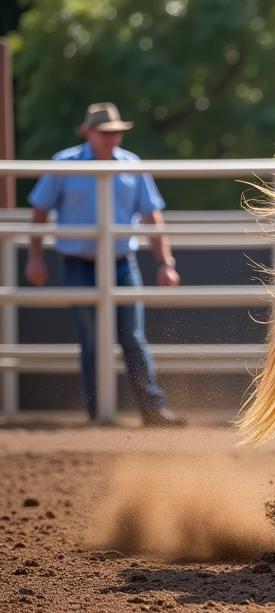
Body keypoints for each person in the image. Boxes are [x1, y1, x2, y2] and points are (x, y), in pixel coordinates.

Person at [25, 102, 186, 426]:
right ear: (88, 133)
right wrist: (35, 257)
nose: (112, 138)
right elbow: (39, 212)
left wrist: (165, 260)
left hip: (121, 263)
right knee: (91, 339)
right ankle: (99, 411)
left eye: (116, 133)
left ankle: (150, 409)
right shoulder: (64, 163)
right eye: (106, 133)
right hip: (78, 263)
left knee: (132, 337)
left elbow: (152, 217)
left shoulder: (130, 165)